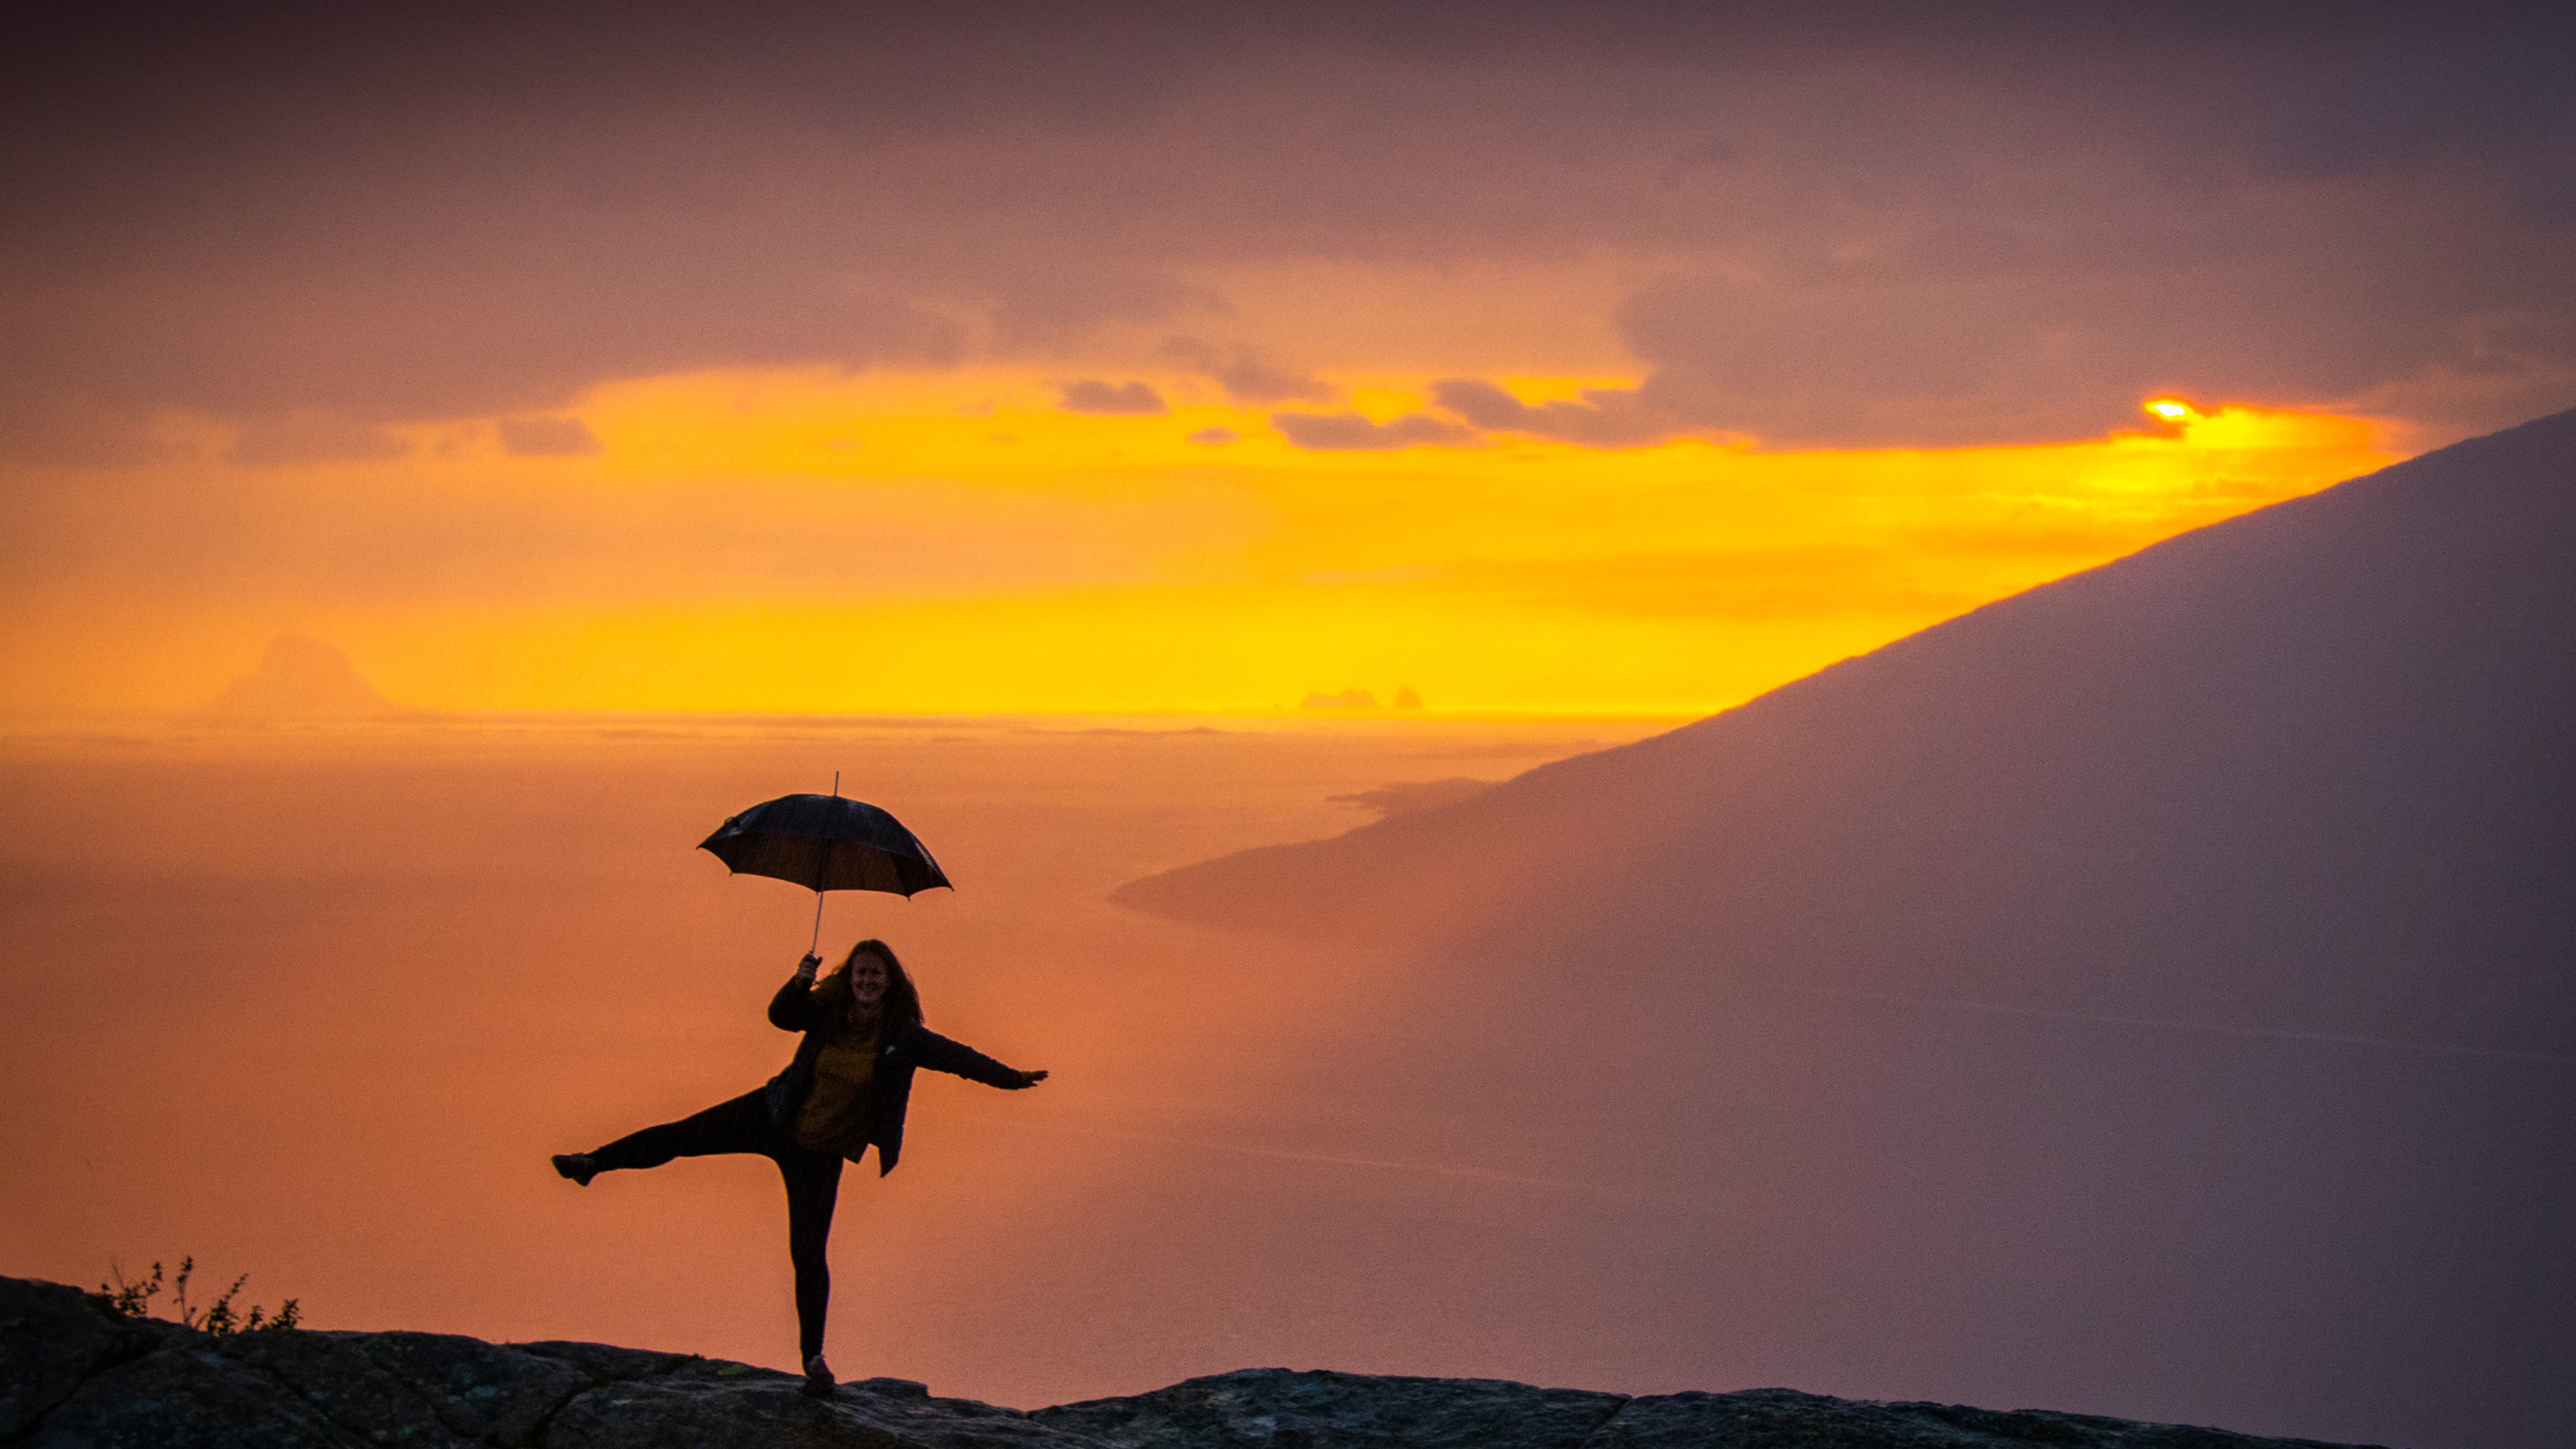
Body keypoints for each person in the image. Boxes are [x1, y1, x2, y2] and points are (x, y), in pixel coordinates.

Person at [549, 939, 1046, 1396]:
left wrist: (1012, 1078)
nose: (867, 981)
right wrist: (801, 977)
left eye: (876, 974)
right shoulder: (828, 1011)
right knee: (682, 1136)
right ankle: (593, 1161)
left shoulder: (903, 1037)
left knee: (808, 1255)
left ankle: (814, 1360)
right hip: (774, 1114)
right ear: (848, 977)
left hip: (819, 1154)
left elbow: (961, 1059)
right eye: (860, 973)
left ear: (891, 982)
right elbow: (782, 1016)